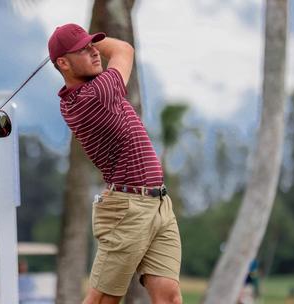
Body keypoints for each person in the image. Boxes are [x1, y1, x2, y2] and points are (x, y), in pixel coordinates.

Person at [48, 23, 183, 304]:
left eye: (93, 46)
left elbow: (105, 55)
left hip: (158, 204)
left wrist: (78, 40)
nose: (94, 52)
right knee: (102, 300)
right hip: (127, 209)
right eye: (83, 50)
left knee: (169, 297)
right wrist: (87, 37)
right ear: (63, 63)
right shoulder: (95, 95)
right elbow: (123, 49)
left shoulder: (76, 95)